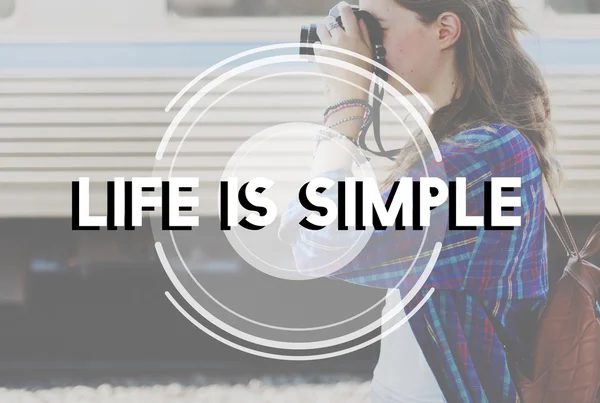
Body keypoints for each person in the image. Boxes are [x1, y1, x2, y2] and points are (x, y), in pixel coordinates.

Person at [278, 0, 560, 402]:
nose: (365, 44)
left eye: (378, 28)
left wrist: (345, 108)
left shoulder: (483, 154)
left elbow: (321, 241)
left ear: (445, 31)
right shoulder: (475, 142)